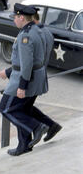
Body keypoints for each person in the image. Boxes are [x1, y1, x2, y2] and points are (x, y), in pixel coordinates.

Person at [0, 3, 49, 156]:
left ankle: (37, 127)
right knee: (22, 110)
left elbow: (26, 64)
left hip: (24, 78)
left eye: (15, 17)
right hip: (36, 76)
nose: (14, 20)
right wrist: (9, 71)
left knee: (5, 108)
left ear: (21, 17)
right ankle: (24, 145)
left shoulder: (25, 36)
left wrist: (22, 86)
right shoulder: (36, 30)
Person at [31, 9, 63, 141]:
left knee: (18, 108)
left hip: (32, 77)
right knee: (24, 107)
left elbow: (31, 59)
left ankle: (41, 128)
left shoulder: (36, 33)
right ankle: (51, 126)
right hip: (38, 75)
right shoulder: (45, 32)